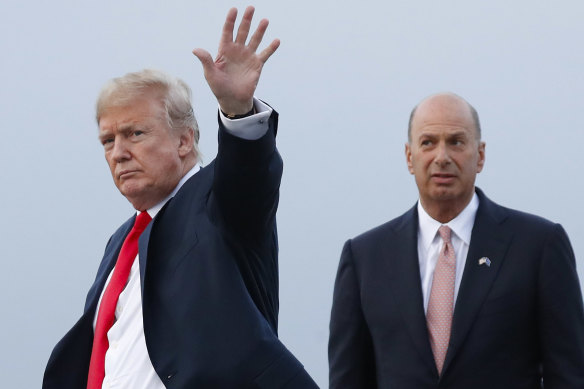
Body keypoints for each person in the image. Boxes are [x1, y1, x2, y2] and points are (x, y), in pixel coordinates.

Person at [43, 7, 317, 388]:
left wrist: (237, 110)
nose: (119, 152)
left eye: (135, 133)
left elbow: (250, 174)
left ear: (185, 140)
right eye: (108, 141)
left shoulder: (216, 201)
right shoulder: (120, 242)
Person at [328, 92, 584, 388]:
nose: (442, 157)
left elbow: (570, 374)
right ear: (410, 157)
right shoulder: (365, 258)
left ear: (481, 155)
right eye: (428, 143)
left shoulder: (538, 246)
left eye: (456, 142)